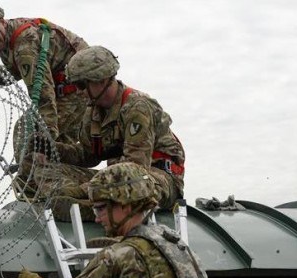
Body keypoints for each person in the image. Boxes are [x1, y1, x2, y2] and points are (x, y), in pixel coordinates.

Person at [17, 162, 218, 278]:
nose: (96, 218)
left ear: (126, 205)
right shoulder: (172, 242)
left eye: (101, 208)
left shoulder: (117, 256)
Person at [35, 45, 186, 221]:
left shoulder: (137, 107)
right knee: (41, 170)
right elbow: (87, 154)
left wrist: (83, 189)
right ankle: (82, 201)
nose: (78, 91)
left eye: (81, 85)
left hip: (155, 179)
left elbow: (134, 167)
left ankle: (88, 207)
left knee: (128, 183)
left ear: (101, 79)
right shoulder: (93, 113)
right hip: (111, 179)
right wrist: (52, 149)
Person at [0, 2, 89, 200]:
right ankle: (52, 193)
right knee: (46, 144)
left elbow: (43, 95)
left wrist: (45, 139)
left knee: (34, 136)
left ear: (1, 21)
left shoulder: (24, 43)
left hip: (80, 90)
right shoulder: (7, 40)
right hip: (63, 91)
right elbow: (15, 71)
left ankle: (42, 193)